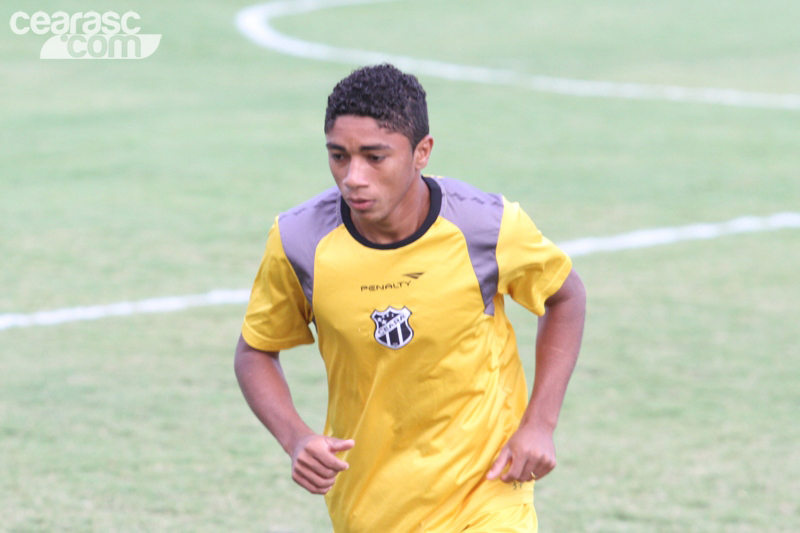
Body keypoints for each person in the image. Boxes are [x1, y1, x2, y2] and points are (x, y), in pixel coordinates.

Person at [234, 63, 586, 533]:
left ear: (422, 152)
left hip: (486, 494)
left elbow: (566, 296)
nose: (353, 176)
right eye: (339, 156)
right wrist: (295, 438)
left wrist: (539, 422)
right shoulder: (300, 240)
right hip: (370, 505)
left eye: (375, 158)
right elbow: (255, 351)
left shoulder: (485, 227)